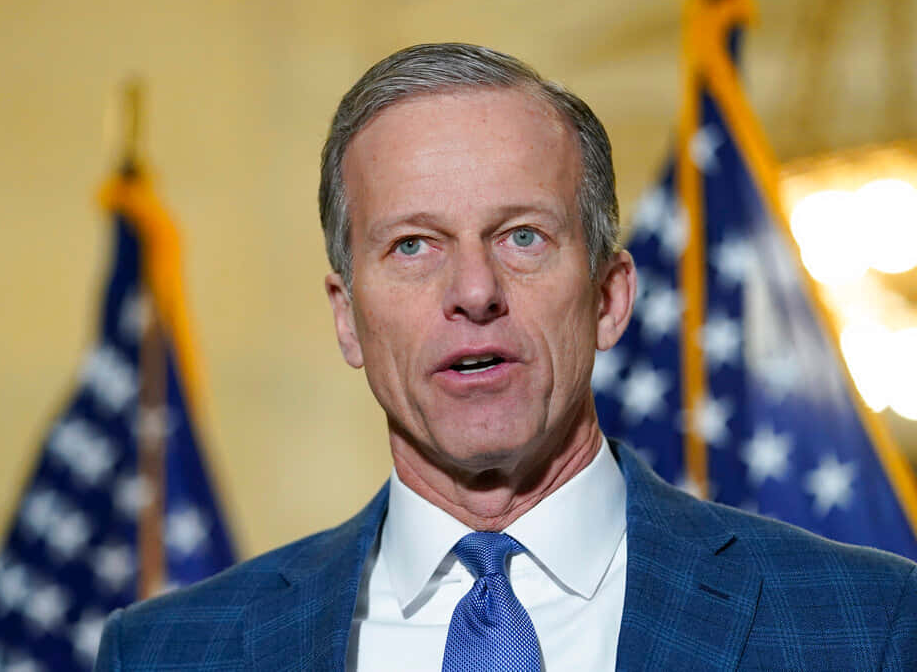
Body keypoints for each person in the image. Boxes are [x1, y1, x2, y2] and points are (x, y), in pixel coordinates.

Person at [95, 43, 916, 671]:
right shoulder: (171, 651)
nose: (475, 290)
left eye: (522, 236)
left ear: (609, 297)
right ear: (347, 319)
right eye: (413, 245)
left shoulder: (866, 622)